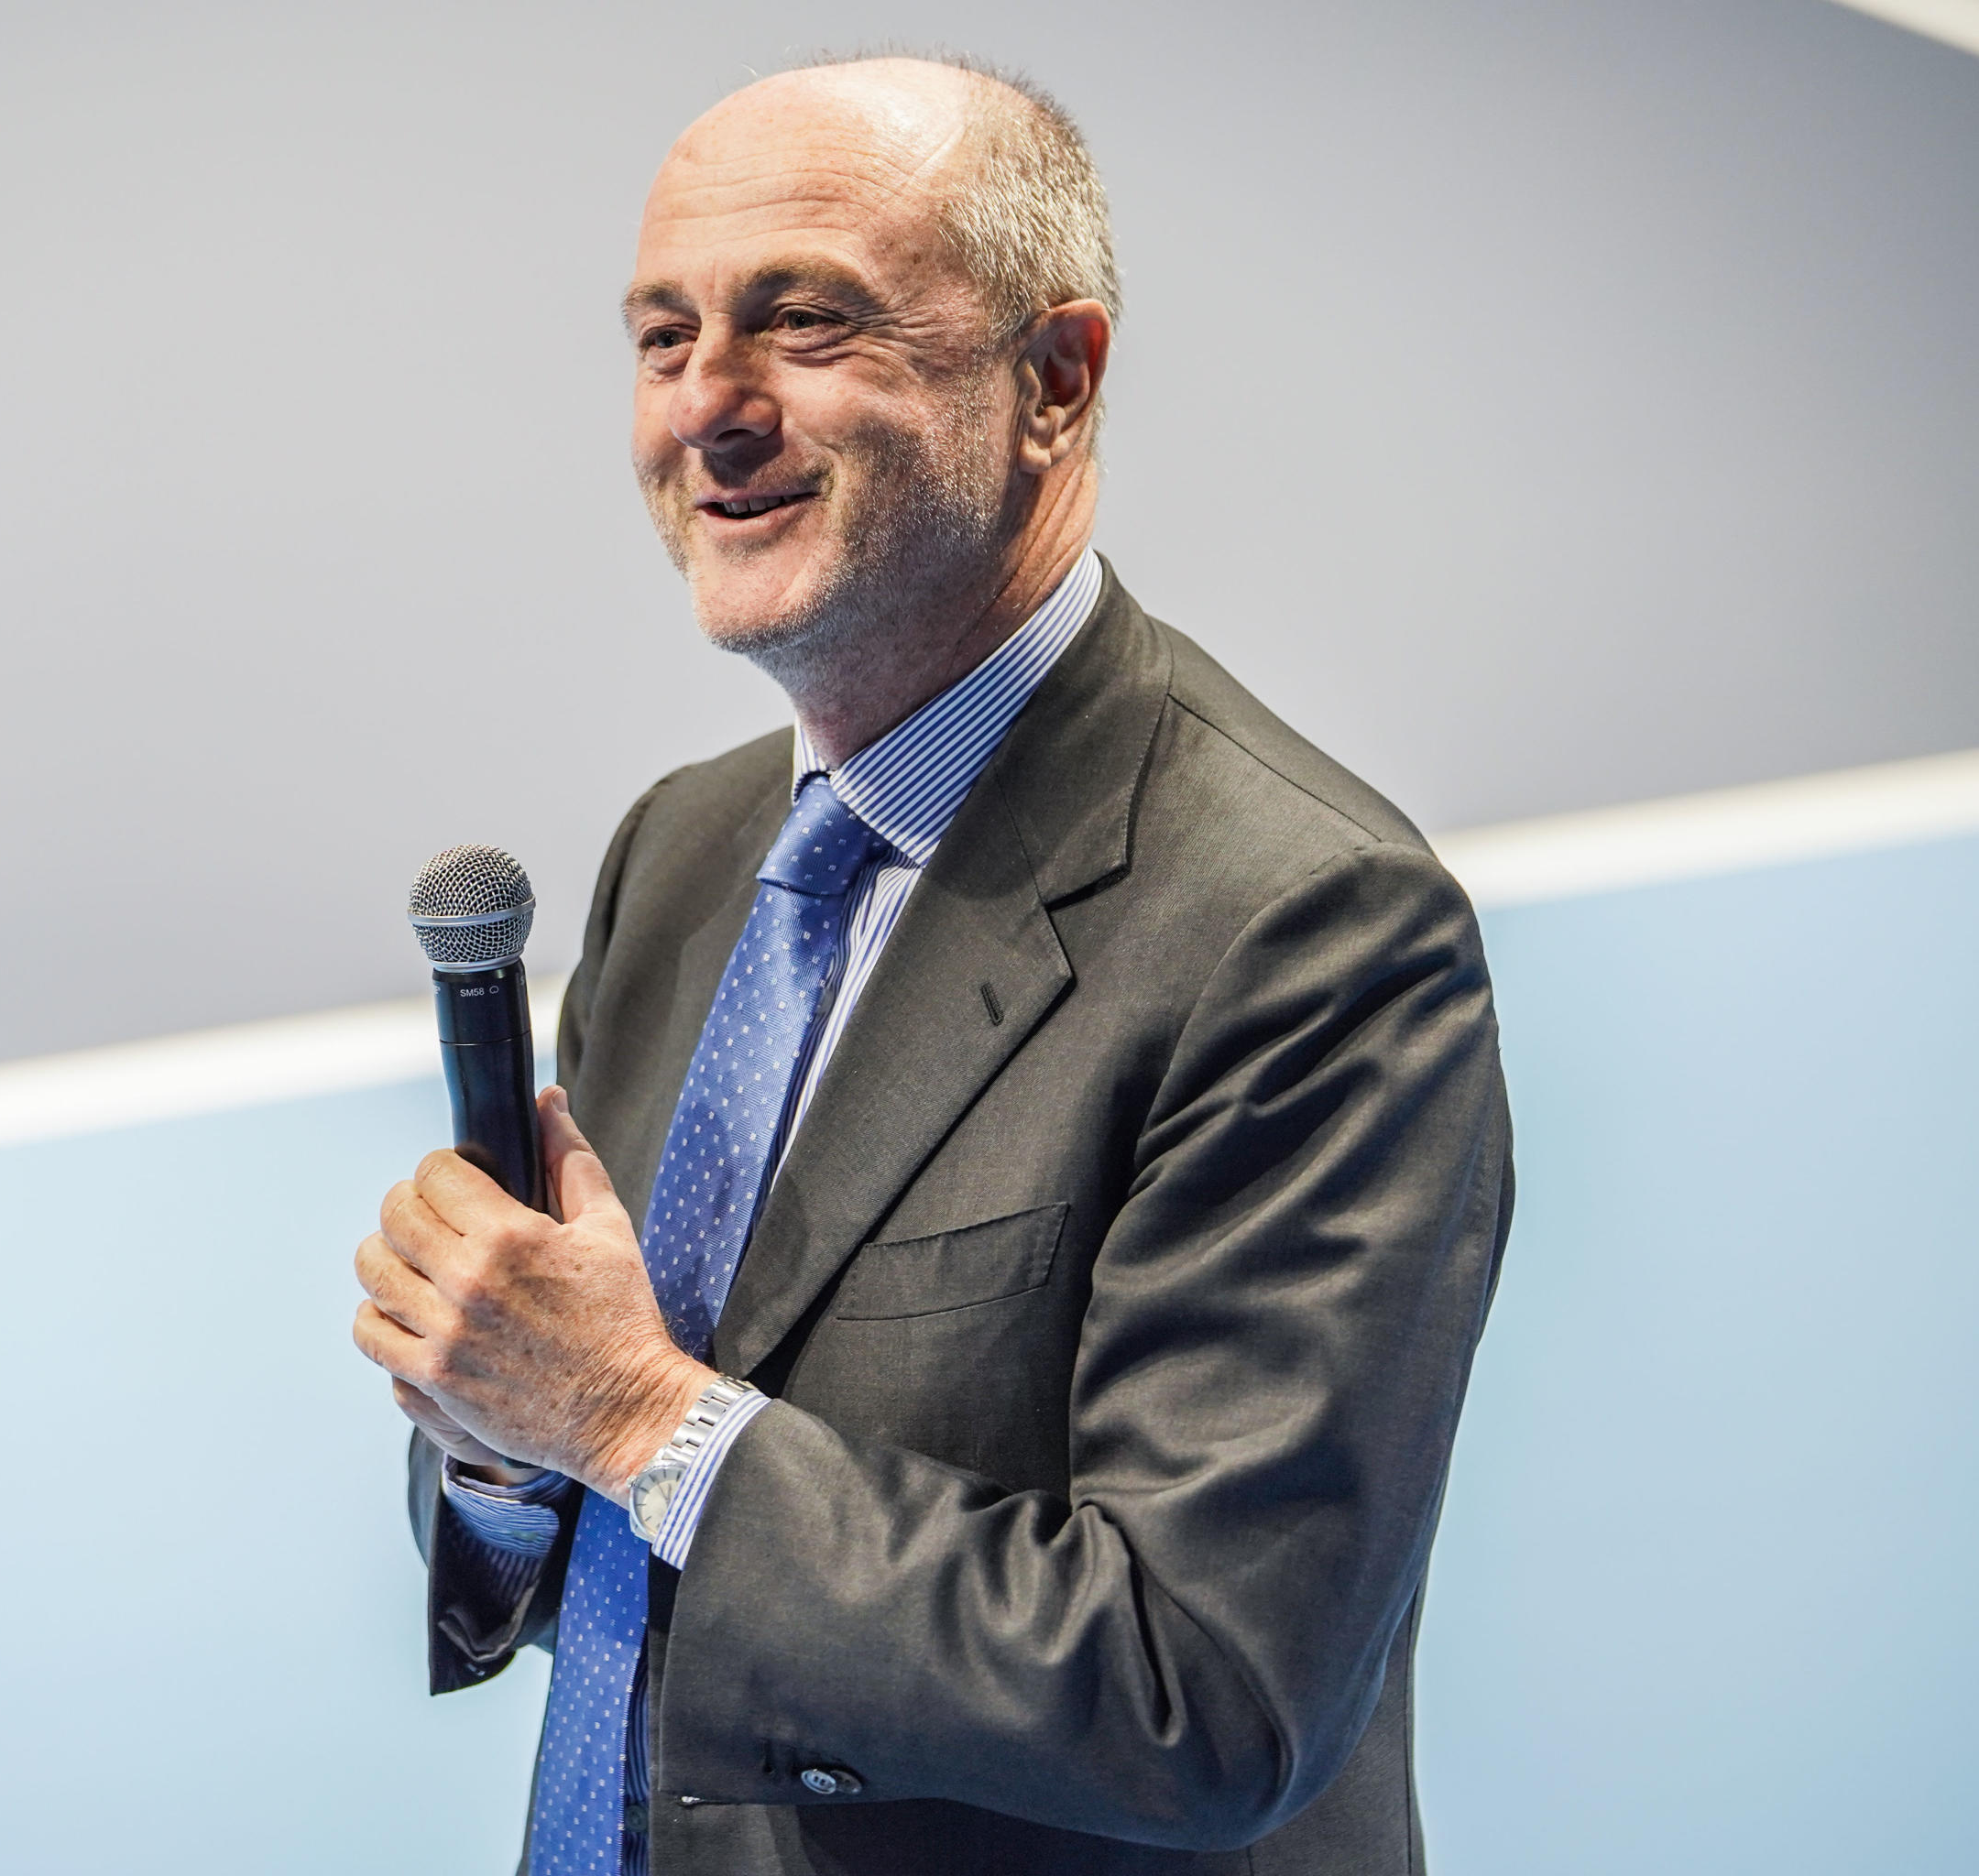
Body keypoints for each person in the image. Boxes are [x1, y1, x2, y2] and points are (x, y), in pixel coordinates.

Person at [351, 51, 1512, 1876]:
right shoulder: (685, 854)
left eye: (803, 320)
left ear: (1055, 379)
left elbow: (1206, 1692)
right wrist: (503, 1431)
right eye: (663, 338)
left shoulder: (1308, 925)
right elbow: (631, 1536)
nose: (707, 406)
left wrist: (633, 1413)